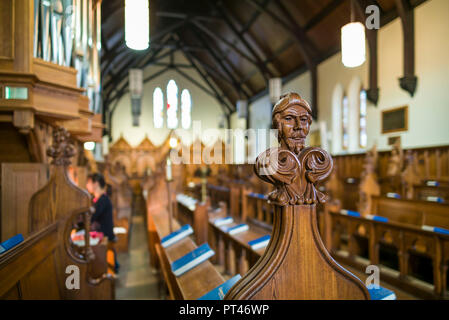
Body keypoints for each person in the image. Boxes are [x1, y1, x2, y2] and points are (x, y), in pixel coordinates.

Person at [88, 173, 119, 272]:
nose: (87, 185)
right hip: (104, 232)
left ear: (95, 184)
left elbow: (91, 217)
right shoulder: (100, 199)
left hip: (106, 235)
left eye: (88, 182)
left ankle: (108, 270)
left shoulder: (103, 200)